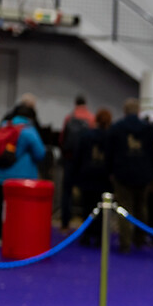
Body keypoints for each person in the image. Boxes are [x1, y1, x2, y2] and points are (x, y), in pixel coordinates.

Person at [107, 98, 153, 253]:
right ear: (138, 111)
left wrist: (110, 171)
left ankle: (125, 243)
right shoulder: (148, 129)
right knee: (142, 207)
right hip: (143, 174)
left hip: (122, 174)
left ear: (125, 111)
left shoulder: (117, 128)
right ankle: (139, 239)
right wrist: (152, 172)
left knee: (124, 208)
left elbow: (109, 153)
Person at [0, 105, 46, 241]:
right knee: (19, 211)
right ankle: (16, 237)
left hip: (0, 175)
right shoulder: (29, 130)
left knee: (0, 207)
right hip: (21, 179)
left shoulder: (4, 125)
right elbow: (40, 153)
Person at [75, 108, 113, 246]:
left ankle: (86, 235)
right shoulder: (111, 137)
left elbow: (78, 157)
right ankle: (99, 237)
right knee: (103, 210)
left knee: (87, 207)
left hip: (87, 175)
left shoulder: (86, 136)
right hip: (103, 178)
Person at [59, 94, 96, 232]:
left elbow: (62, 139)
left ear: (75, 103)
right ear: (85, 103)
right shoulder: (91, 118)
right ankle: (86, 226)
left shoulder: (69, 118)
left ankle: (64, 224)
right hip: (85, 162)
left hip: (69, 159)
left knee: (66, 192)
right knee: (87, 195)